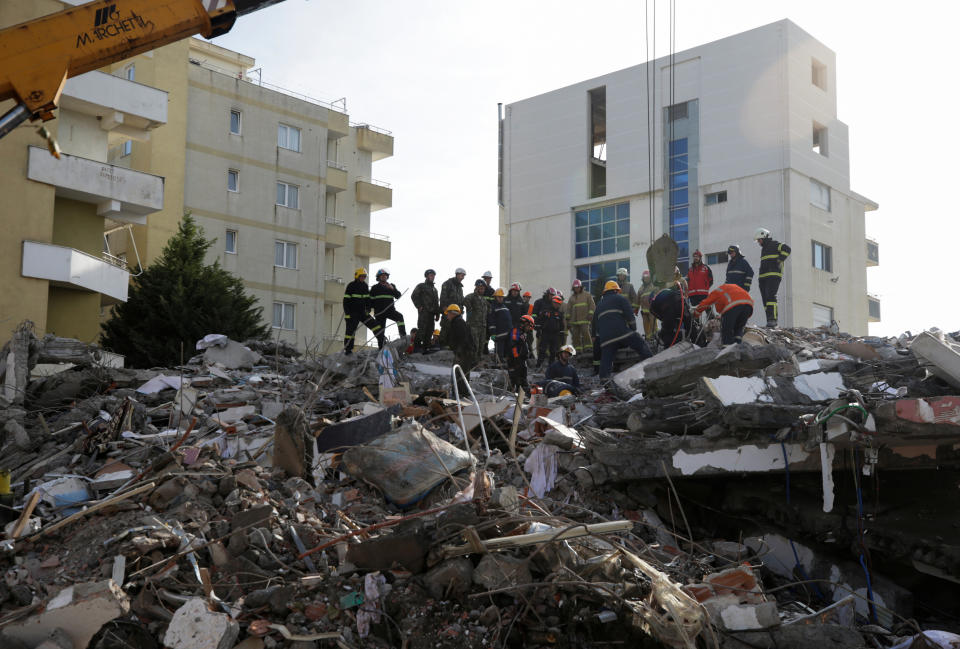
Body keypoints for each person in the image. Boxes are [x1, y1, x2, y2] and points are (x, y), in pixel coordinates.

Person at [592, 280, 652, 378]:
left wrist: (598, 335)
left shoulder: (599, 305)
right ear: (616, 290)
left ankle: (604, 381)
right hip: (621, 333)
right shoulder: (620, 299)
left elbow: (594, 323)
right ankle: (652, 364)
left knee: (606, 360)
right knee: (640, 342)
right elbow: (630, 316)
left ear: (605, 292)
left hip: (606, 339)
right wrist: (633, 329)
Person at [755, 227, 791, 328]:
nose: (758, 242)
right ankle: (769, 320)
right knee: (765, 300)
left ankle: (773, 320)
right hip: (763, 277)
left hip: (773, 275)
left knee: (771, 297)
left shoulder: (775, 244)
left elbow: (787, 249)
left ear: (764, 237)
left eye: (759, 240)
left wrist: (780, 259)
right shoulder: (764, 249)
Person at [342, 268, 384, 353]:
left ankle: (382, 345)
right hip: (353, 313)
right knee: (350, 332)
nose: (363, 278)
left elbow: (367, 300)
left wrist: (368, 309)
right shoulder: (351, 285)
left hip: (363, 313)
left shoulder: (365, 286)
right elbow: (345, 301)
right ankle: (348, 350)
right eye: (361, 276)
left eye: (364, 277)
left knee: (376, 325)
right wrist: (347, 314)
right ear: (357, 276)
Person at [440, 304, 476, 396]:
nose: (447, 315)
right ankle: (462, 394)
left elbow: (462, 339)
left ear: (452, 313)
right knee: (462, 375)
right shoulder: (459, 322)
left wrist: (459, 352)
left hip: (463, 353)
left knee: (458, 375)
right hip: (465, 353)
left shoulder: (458, 323)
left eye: (448, 313)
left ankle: (460, 395)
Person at [369, 268, 405, 338]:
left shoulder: (391, 286)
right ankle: (382, 344)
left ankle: (402, 336)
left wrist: (392, 289)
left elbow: (398, 296)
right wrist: (370, 311)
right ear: (378, 278)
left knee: (400, 317)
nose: (383, 276)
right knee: (380, 331)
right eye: (381, 275)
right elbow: (370, 301)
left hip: (390, 311)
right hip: (379, 312)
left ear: (387, 277)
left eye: (385, 275)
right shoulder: (374, 288)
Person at [411, 269, 440, 352]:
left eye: (433, 275)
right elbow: (414, 296)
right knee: (422, 331)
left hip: (432, 314)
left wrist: (437, 314)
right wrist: (419, 306)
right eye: (431, 275)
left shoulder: (435, 290)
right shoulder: (421, 286)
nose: (432, 277)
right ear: (427, 276)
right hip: (424, 312)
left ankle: (426, 348)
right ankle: (416, 349)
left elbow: (436, 302)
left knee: (430, 331)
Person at [565, 279, 595, 356]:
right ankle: (578, 350)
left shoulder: (587, 295)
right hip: (574, 321)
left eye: (578, 287)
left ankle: (588, 347)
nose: (576, 289)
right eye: (575, 288)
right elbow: (568, 309)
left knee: (585, 332)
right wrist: (567, 319)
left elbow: (592, 305)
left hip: (584, 319)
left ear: (580, 287)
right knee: (575, 336)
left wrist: (590, 314)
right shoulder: (571, 298)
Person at [506, 315, 535, 393]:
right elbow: (513, 346)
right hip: (515, 361)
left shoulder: (523, 333)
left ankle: (522, 395)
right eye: (530, 326)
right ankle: (511, 395)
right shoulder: (515, 331)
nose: (529, 329)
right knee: (514, 379)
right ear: (525, 323)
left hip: (521, 360)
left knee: (523, 379)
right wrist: (516, 358)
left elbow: (522, 346)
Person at [463, 279, 490, 358]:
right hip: (473, 326)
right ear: (476, 287)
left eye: (483, 288)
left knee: (481, 346)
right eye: (480, 288)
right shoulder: (471, 296)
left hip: (483, 326)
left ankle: (477, 361)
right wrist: (470, 308)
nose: (482, 290)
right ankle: (472, 362)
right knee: (475, 345)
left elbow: (489, 309)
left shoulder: (484, 300)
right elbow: (465, 301)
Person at [537, 295, 565, 367]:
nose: (556, 304)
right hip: (545, 333)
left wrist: (562, 336)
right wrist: (538, 330)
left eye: (558, 303)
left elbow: (562, 326)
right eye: (555, 303)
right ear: (552, 302)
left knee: (553, 351)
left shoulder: (559, 314)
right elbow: (539, 321)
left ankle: (551, 365)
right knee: (542, 350)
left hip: (555, 335)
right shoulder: (545, 311)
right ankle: (538, 365)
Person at [488, 288, 513, 360]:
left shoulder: (504, 307)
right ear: (495, 297)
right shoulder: (492, 308)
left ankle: (508, 363)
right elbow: (491, 321)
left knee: (509, 349)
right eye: (499, 297)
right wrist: (493, 333)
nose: (501, 299)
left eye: (502, 297)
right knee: (500, 351)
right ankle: (499, 363)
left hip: (508, 332)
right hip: (499, 334)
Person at [637, 270, 657, 340]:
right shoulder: (640, 289)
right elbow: (637, 300)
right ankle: (648, 340)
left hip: (652, 311)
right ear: (643, 279)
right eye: (645, 278)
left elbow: (658, 296)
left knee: (653, 327)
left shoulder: (653, 286)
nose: (646, 279)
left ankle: (655, 339)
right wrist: (636, 311)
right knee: (646, 329)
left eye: (648, 277)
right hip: (644, 312)